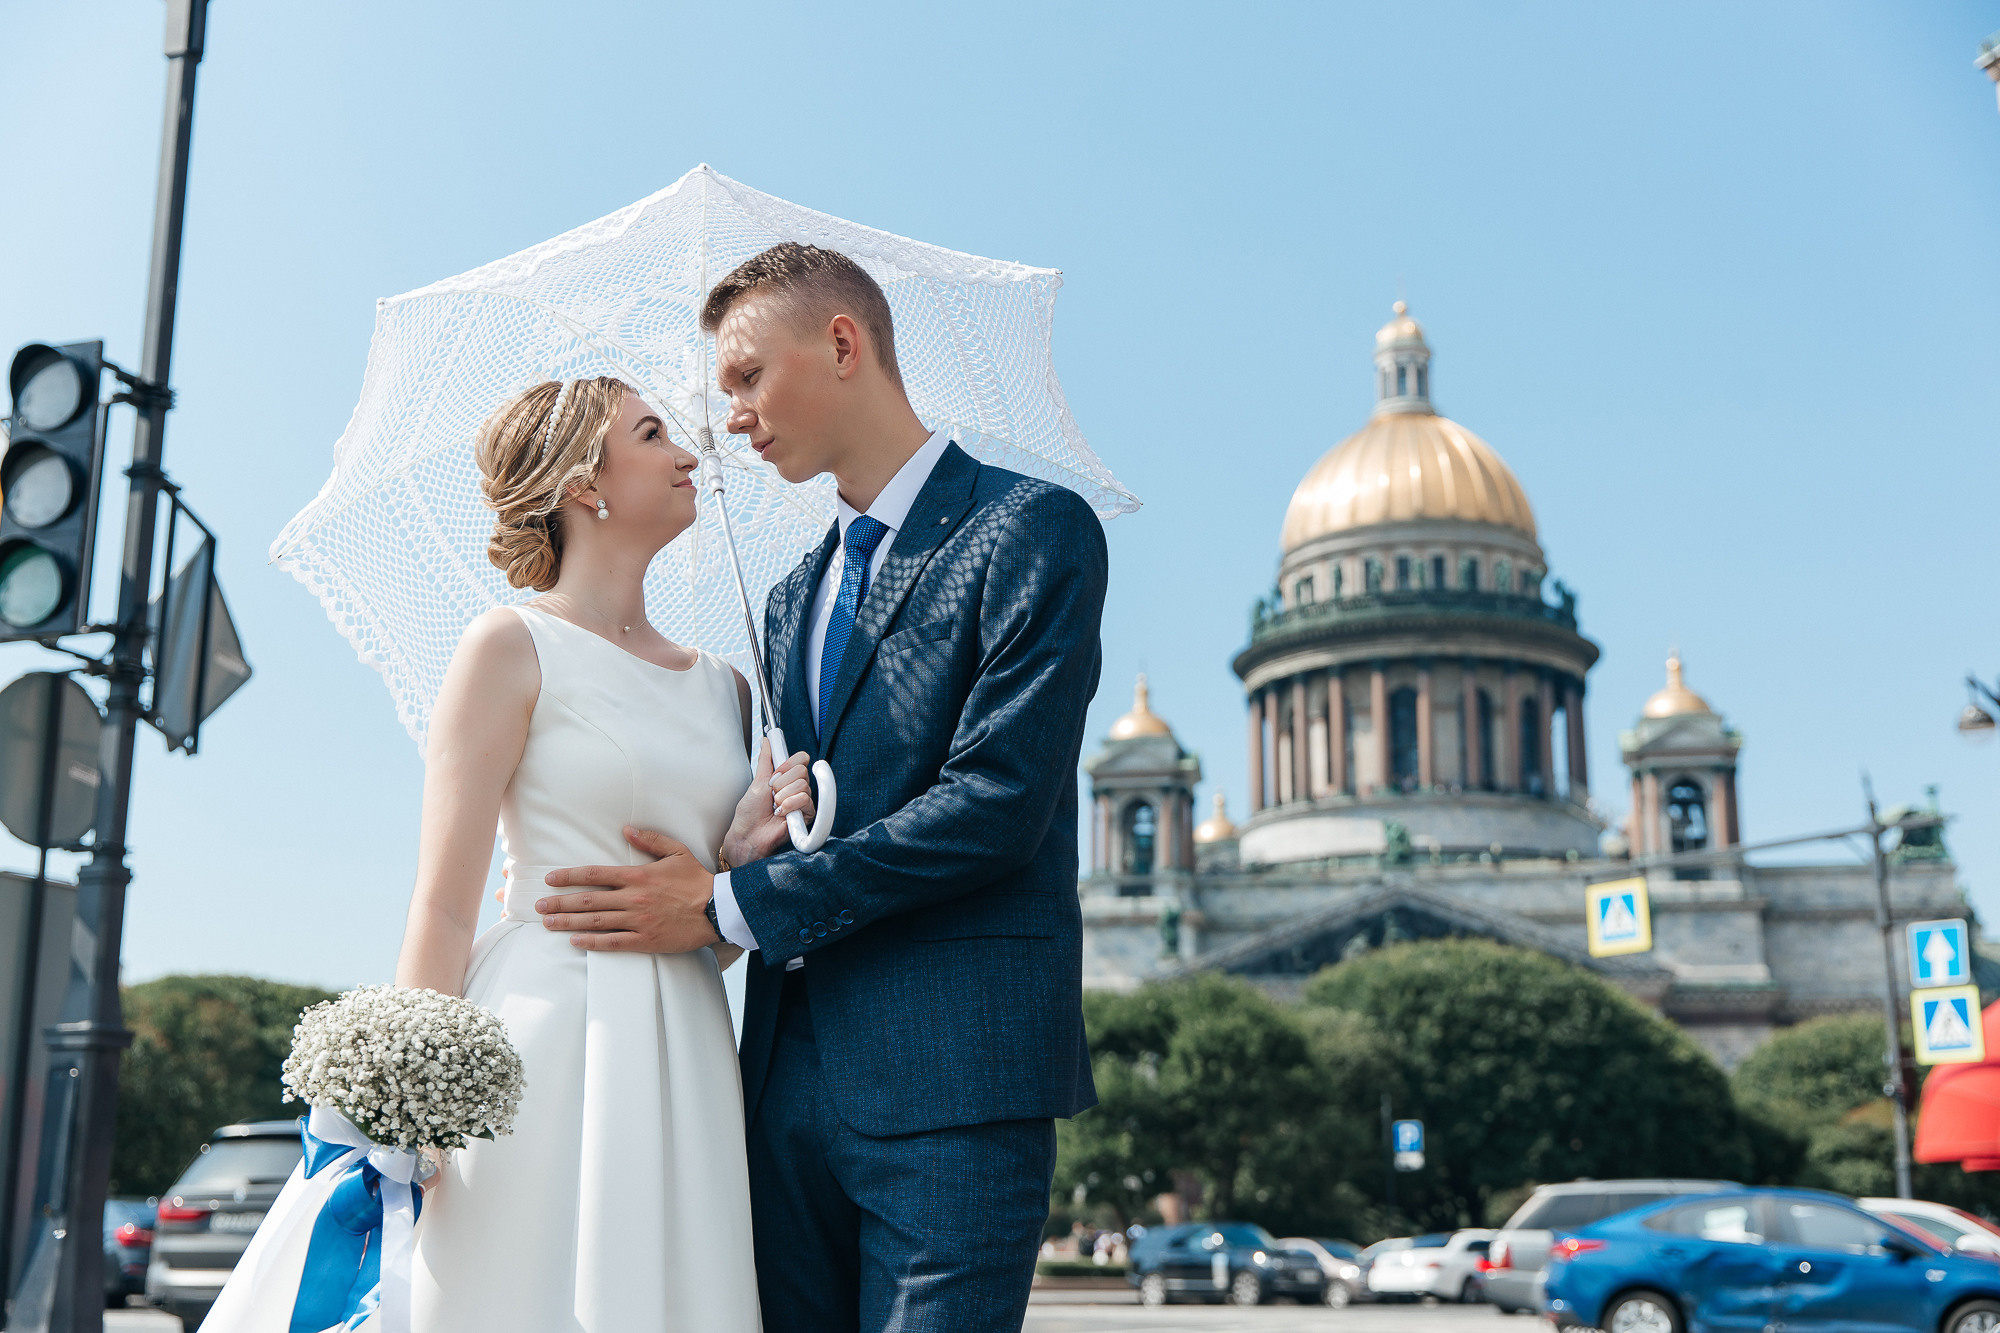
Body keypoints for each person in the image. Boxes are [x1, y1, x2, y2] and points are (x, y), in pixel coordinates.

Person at [537, 243, 1108, 1331]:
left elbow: (996, 802)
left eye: (747, 377)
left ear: (842, 343)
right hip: (775, 1088)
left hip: (952, 1084)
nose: (731, 418)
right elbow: (816, 829)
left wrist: (720, 905)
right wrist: (751, 845)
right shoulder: (791, 598)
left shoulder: (1028, 528)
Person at [204, 375, 814, 1331]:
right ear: (584, 483)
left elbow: (704, 925)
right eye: (653, 434)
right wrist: (411, 1108)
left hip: (689, 1044)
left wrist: (740, 860)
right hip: (539, 1036)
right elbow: (444, 901)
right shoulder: (509, 644)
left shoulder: (731, 690)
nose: (691, 454)